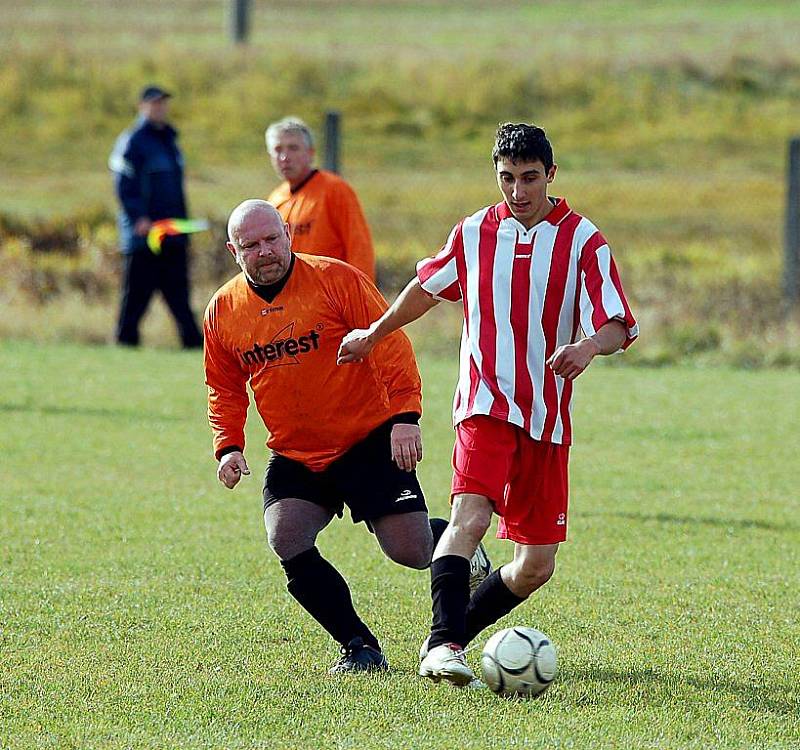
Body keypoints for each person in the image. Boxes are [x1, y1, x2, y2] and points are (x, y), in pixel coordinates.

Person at [338, 123, 638, 686]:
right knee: (469, 517)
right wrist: (373, 334)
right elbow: (424, 289)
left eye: (529, 178)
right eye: (507, 179)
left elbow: (620, 322)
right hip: (484, 402)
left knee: (536, 565)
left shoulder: (583, 240)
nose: (518, 191)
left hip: (546, 417)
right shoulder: (474, 231)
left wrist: (588, 347)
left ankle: (441, 641)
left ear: (551, 174)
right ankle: (445, 646)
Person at [203, 199, 488, 674]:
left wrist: (404, 416)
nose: (265, 251)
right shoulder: (224, 310)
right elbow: (223, 385)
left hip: (368, 438)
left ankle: (462, 545)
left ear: (288, 235)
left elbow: (390, 341)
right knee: (286, 537)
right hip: (296, 452)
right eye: (251, 245)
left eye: (272, 238)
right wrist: (228, 445)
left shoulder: (336, 280)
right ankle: (359, 646)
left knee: (411, 551)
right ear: (235, 251)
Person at [108, 85, 203, 348]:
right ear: (142, 106)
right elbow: (123, 183)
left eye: (163, 103)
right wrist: (138, 217)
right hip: (144, 236)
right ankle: (124, 344)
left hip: (173, 233)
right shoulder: (132, 141)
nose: (160, 108)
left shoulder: (170, 140)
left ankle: (195, 346)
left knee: (179, 295)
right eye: (154, 103)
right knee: (136, 297)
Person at [265, 117, 376, 281]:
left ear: (310, 153)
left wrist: (362, 297)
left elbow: (360, 250)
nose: (284, 157)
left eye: (293, 148)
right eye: (278, 149)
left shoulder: (335, 190)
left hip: (331, 296)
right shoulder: (274, 200)